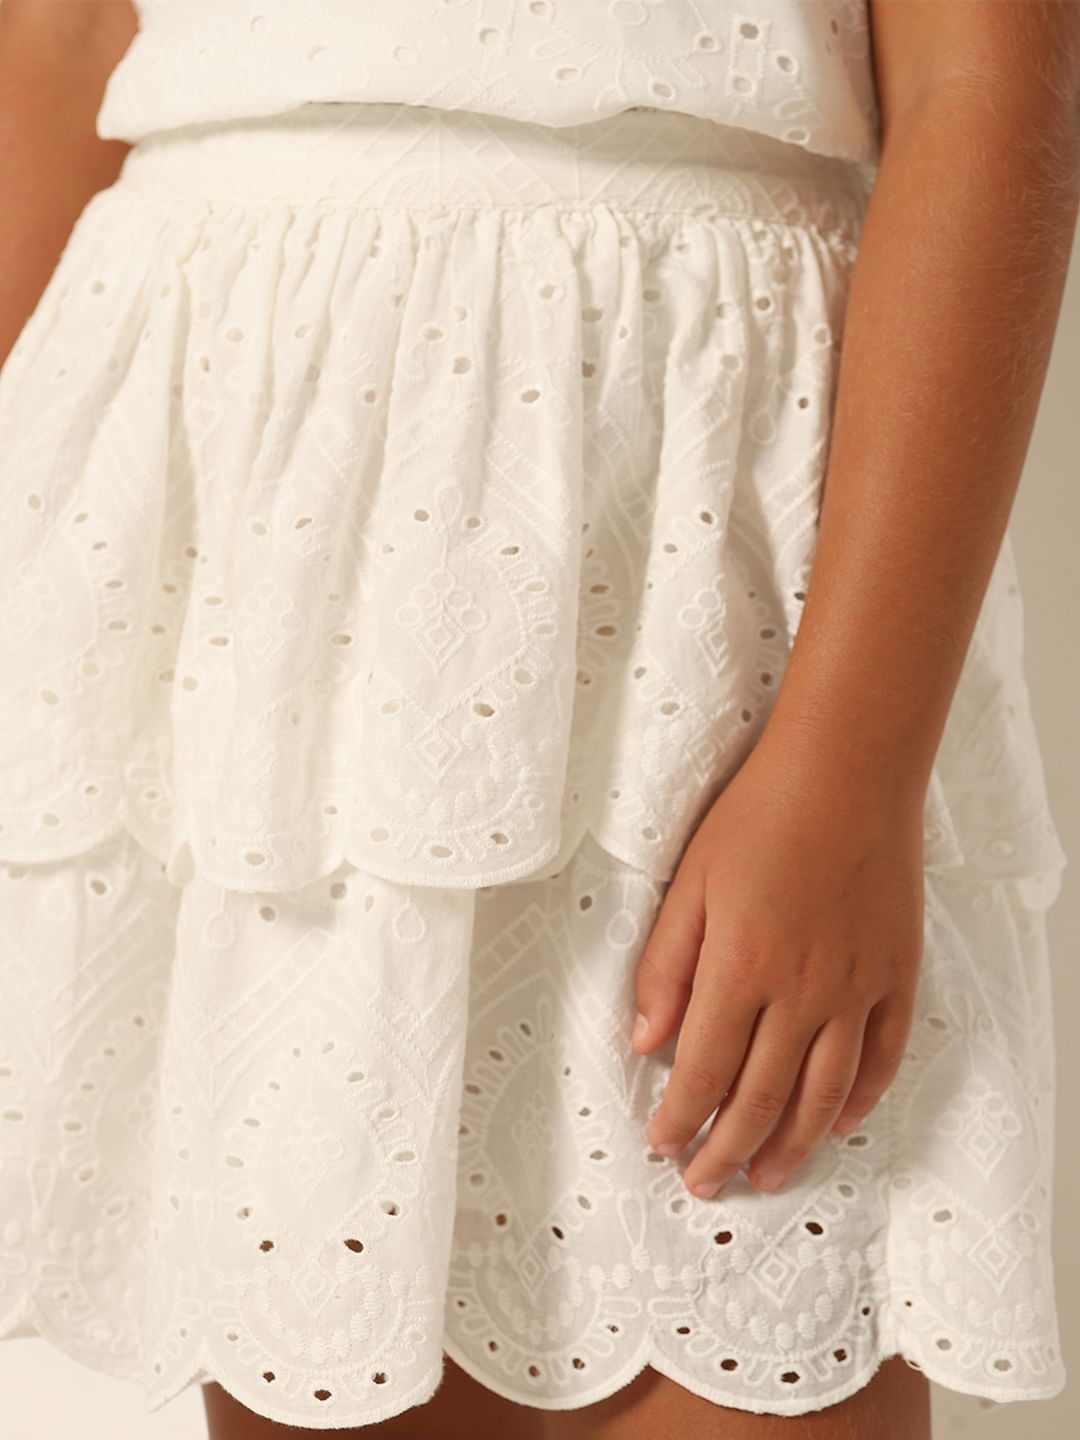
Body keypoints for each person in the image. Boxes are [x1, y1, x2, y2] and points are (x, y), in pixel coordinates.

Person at [0, 3, 1076, 1438]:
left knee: (763, 1235)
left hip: (706, 526)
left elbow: (981, 82)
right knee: (327, 1324)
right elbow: (61, 41)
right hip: (232, 510)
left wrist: (851, 769)